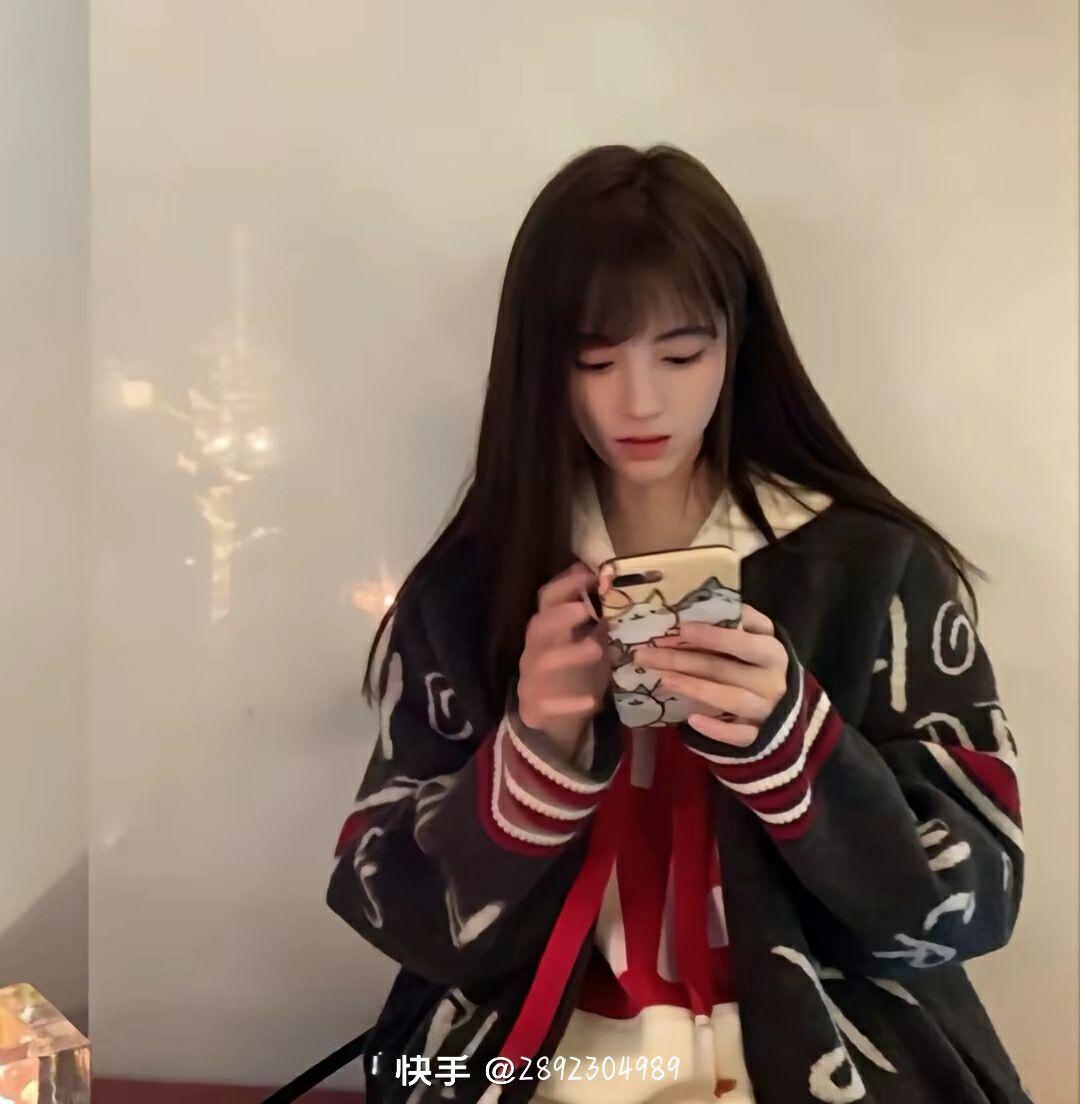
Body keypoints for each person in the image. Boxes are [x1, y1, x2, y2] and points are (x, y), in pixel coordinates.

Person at [327, 144, 1028, 1104]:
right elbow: (386, 902)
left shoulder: (874, 568)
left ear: (739, 343)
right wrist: (531, 755)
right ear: (540, 365)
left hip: (821, 1046)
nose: (641, 400)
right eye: (594, 360)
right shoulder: (469, 588)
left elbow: (976, 896)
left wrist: (795, 745)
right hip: (524, 1055)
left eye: (682, 353)